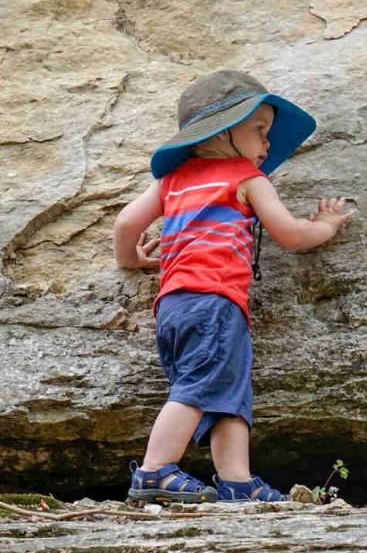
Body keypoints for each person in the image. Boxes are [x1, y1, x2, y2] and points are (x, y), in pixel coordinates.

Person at [113, 70, 354, 503]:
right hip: (214, 300)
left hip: (174, 303)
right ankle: (152, 472)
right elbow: (291, 235)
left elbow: (127, 223)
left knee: (227, 390)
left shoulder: (171, 180)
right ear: (222, 133)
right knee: (197, 386)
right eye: (259, 130)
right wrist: (324, 224)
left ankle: (237, 482)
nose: (267, 143)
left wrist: (131, 259)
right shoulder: (246, 178)